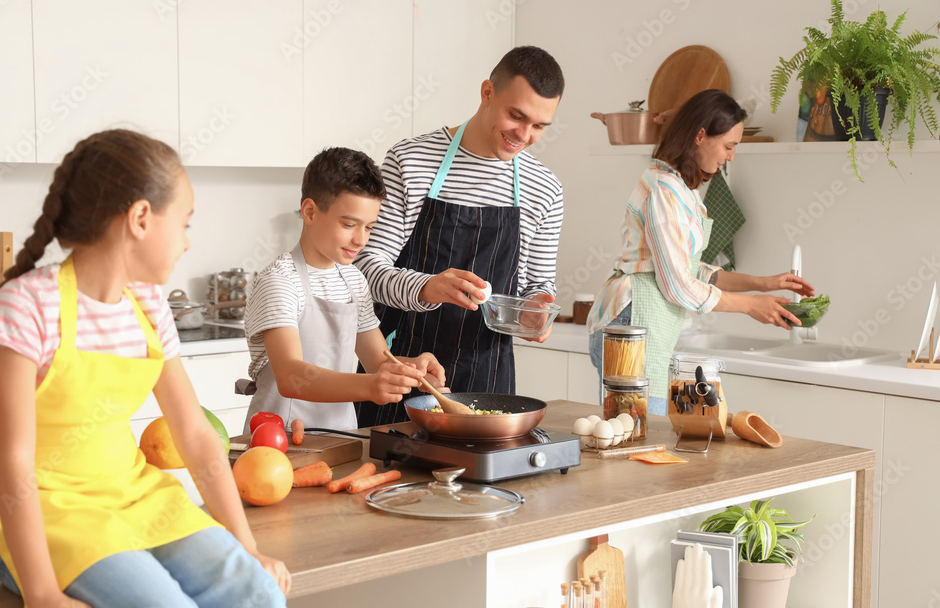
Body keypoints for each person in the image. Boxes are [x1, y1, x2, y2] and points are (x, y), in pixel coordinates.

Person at [0, 130, 303, 608]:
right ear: (138, 219)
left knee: (255, 592)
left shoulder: (149, 306)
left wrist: (245, 549)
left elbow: (196, 436)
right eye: (183, 224)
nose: (186, 242)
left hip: (129, 495)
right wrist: (43, 597)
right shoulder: (26, 308)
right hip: (44, 510)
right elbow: (13, 467)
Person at [354, 45, 566, 427]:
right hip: (402, 372)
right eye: (516, 116)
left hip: (490, 380)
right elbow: (364, 271)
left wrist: (538, 309)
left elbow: (538, 284)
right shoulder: (411, 161)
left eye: (539, 126)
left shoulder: (545, 188)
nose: (524, 135)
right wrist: (427, 288)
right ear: (487, 92)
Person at [587, 90, 815, 416]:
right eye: (729, 146)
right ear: (700, 136)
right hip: (631, 324)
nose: (732, 157)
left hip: (645, 326)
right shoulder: (664, 190)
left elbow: (693, 269)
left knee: (639, 438)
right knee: (632, 440)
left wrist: (765, 284)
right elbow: (678, 285)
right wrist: (751, 306)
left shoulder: (683, 190)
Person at [239, 147, 445, 432]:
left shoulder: (353, 280)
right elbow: (290, 376)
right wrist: (371, 386)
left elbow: (377, 361)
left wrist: (414, 371)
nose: (360, 239)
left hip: (342, 439)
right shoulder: (280, 281)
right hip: (278, 444)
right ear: (309, 211)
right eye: (349, 224)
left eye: (370, 227)